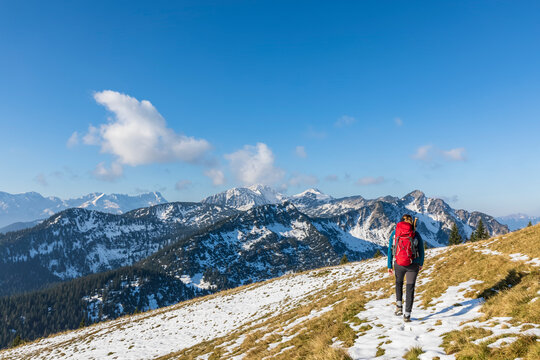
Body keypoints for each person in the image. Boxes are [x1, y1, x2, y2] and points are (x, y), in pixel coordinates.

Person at [387, 214, 424, 322]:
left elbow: (390, 249)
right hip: (413, 264)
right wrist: (420, 263)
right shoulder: (415, 234)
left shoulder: (395, 234)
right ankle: (407, 315)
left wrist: (389, 265)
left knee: (398, 283)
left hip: (398, 263)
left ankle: (399, 307)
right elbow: (421, 250)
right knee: (410, 288)